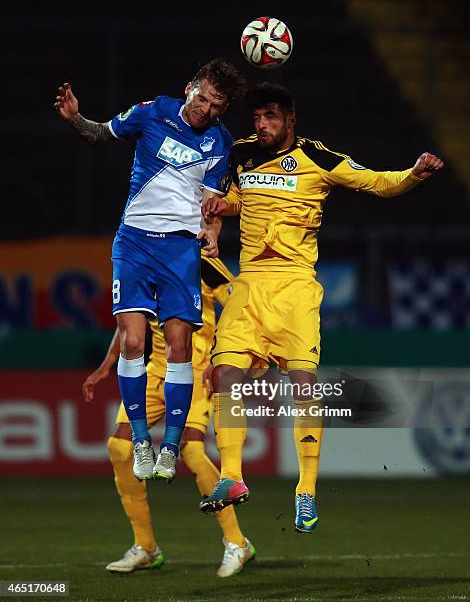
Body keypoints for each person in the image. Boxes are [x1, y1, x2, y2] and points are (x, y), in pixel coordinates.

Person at [200, 82, 444, 532]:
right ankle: (232, 476)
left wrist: (412, 175)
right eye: (256, 117)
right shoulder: (241, 153)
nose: (261, 124)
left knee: (304, 386)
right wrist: (221, 203)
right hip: (250, 284)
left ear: (291, 120)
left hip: (294, 288)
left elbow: (375, 182)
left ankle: (306, 490)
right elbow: (238, 199)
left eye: (270, 117)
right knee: (224, 375)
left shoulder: (318, 159)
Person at [55, 59, 246, 482]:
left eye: (218, 106)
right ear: (190, 87)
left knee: (179, 347)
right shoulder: (153, 111)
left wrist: (212, 232)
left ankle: (170, 447)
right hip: (135, 242)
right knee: (133, 342)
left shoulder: (220, 143)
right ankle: (142, 442)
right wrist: (74, 119)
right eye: (204, 99)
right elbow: (101, 134)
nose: (208, 110)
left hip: (180, 249)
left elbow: (212, 205)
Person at [83, 254, 255, 577]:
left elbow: (238, 304)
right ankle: (146, 547)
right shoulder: (142, 258)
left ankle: (237, 543)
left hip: (196, 370)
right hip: (154, 373)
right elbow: (128, 321)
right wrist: (107, 366)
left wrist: (222, 356)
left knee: (191, 451)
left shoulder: (200, 260)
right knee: (119, 447)